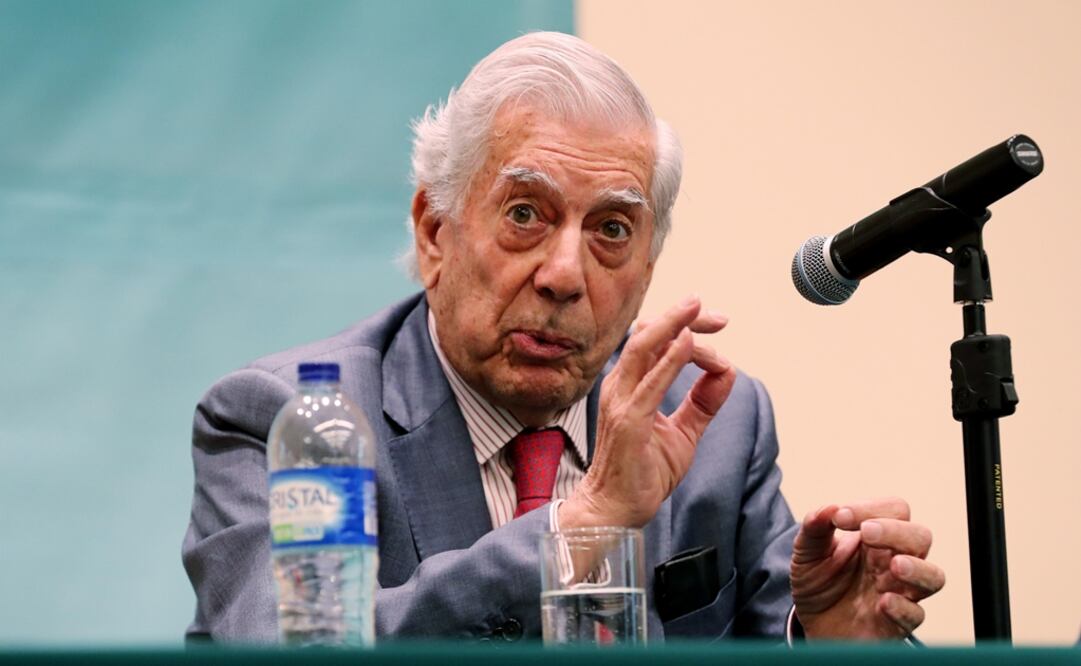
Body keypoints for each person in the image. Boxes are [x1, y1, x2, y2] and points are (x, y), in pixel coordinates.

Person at [182, 31, 944, 643]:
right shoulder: (291, 417)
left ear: (647, 269)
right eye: (525, 214)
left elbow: (771, 630)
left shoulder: (716, 425)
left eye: (612, 229)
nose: (563, 274)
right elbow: (272, 648)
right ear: (434, 231)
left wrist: (824, 639)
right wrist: (576, 530)